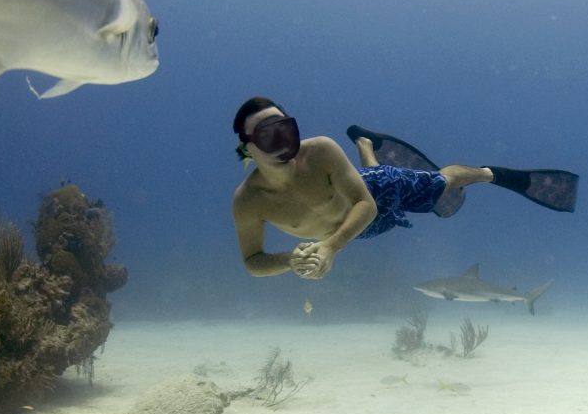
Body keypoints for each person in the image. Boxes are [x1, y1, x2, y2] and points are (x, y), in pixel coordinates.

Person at [232, 97, 561, 281]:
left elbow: (366, 204)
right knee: (370, 173)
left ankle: (491, 174)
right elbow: (253, 260)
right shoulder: (248, 202)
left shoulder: (320, 150)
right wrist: (291, 260)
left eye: (285, 129)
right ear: (247, 149)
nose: (281, 143)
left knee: (440, 182)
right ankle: (367, 145)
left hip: (374, 197)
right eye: (265, 136)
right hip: (360, 232)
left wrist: (330, 246)